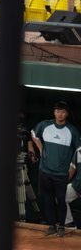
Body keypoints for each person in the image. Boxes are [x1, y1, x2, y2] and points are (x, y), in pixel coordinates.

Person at [31, 101, 81, 237]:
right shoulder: (45, 125)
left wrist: (71, 167)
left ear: (67, 114)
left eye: (63, 112)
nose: (60, 114)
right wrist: (41, 149)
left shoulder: (72, 131)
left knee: (61, 199)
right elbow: (34, 134)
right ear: (54, 112)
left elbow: (79, 149)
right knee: (48, 199)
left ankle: (62, 226)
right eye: (58, 111)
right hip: (45, 171)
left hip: (61, 174)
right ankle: (52, 226)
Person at [65, 145, 81, 228]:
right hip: (77, 186)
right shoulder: (79, 150)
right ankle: (69, 223)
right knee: (61, 194)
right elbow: (72, 170)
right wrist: (61, 184)